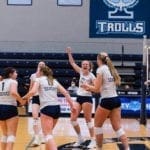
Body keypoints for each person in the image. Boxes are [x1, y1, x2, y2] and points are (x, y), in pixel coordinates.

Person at [82, 52, 129, 150]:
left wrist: (87, 86)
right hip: (116, 99)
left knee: (97, 127)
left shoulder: (100, 69)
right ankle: (127, 148)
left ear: (99, 60)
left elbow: (97, 89)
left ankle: (99, 148)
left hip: (107, 100)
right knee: (118, 128)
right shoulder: (111, 69)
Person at [23, 65, 76, 150]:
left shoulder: (38, 80)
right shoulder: (54, 81)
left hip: (47, 108)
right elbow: (65, 92)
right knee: (49, 134)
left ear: (41, 72)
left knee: (47, 135)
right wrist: (72, 105)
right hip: (57, 108)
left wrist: (23, 98)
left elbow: (33, 91)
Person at [66, 47, 96, 148]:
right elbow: (72, 63)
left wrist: (88, 88)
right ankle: (80, 138)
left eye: (86, 64)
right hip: (79, 97)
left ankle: (93, 140)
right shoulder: (80, 72)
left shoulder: (92, 76)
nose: (84, 65)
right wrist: (69, 53)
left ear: (89, 66)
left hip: (87, 98)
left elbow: (96, 88)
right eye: (83, 64)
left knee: (88, 120)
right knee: (73, 119)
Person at [0, 67, 26, 150]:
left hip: (0, 106)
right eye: (15, 73)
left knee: (4, 134)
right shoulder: (13, 81)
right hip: (10, 107)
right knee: (11, 134)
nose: (17, 74)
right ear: (10, 74)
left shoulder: (1, 82)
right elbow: (13, 92)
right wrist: (21, 101)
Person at [29, 61, 46, 146]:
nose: (41, 66)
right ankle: (36, 138)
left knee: (43, 118)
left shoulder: (47, 76)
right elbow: (31, 87)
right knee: (35, 117)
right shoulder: (33, 75)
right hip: (35, 98)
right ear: (38, 66)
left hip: (44, 99)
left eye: (43, 65)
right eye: (40, 64)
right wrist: (29, 97)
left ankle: (43, 136)